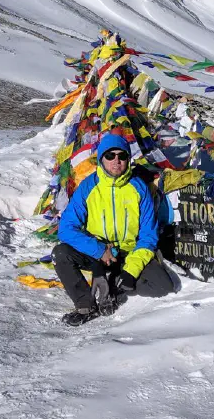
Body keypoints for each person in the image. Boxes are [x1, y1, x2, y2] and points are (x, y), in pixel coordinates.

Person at [53, 132, 173, 326]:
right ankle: (86, 305)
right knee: (60, 253)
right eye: (110, 155)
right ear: (101, 158)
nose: (116, 161)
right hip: (97, 253)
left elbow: (148, 237)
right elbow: (66, 228)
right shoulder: (88, 187)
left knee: (162, 286)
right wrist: (100, 251)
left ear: (128, 158)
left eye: (122, 156)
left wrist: (131, 271)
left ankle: (114, 284)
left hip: (128, 253)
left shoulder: (139, 188)